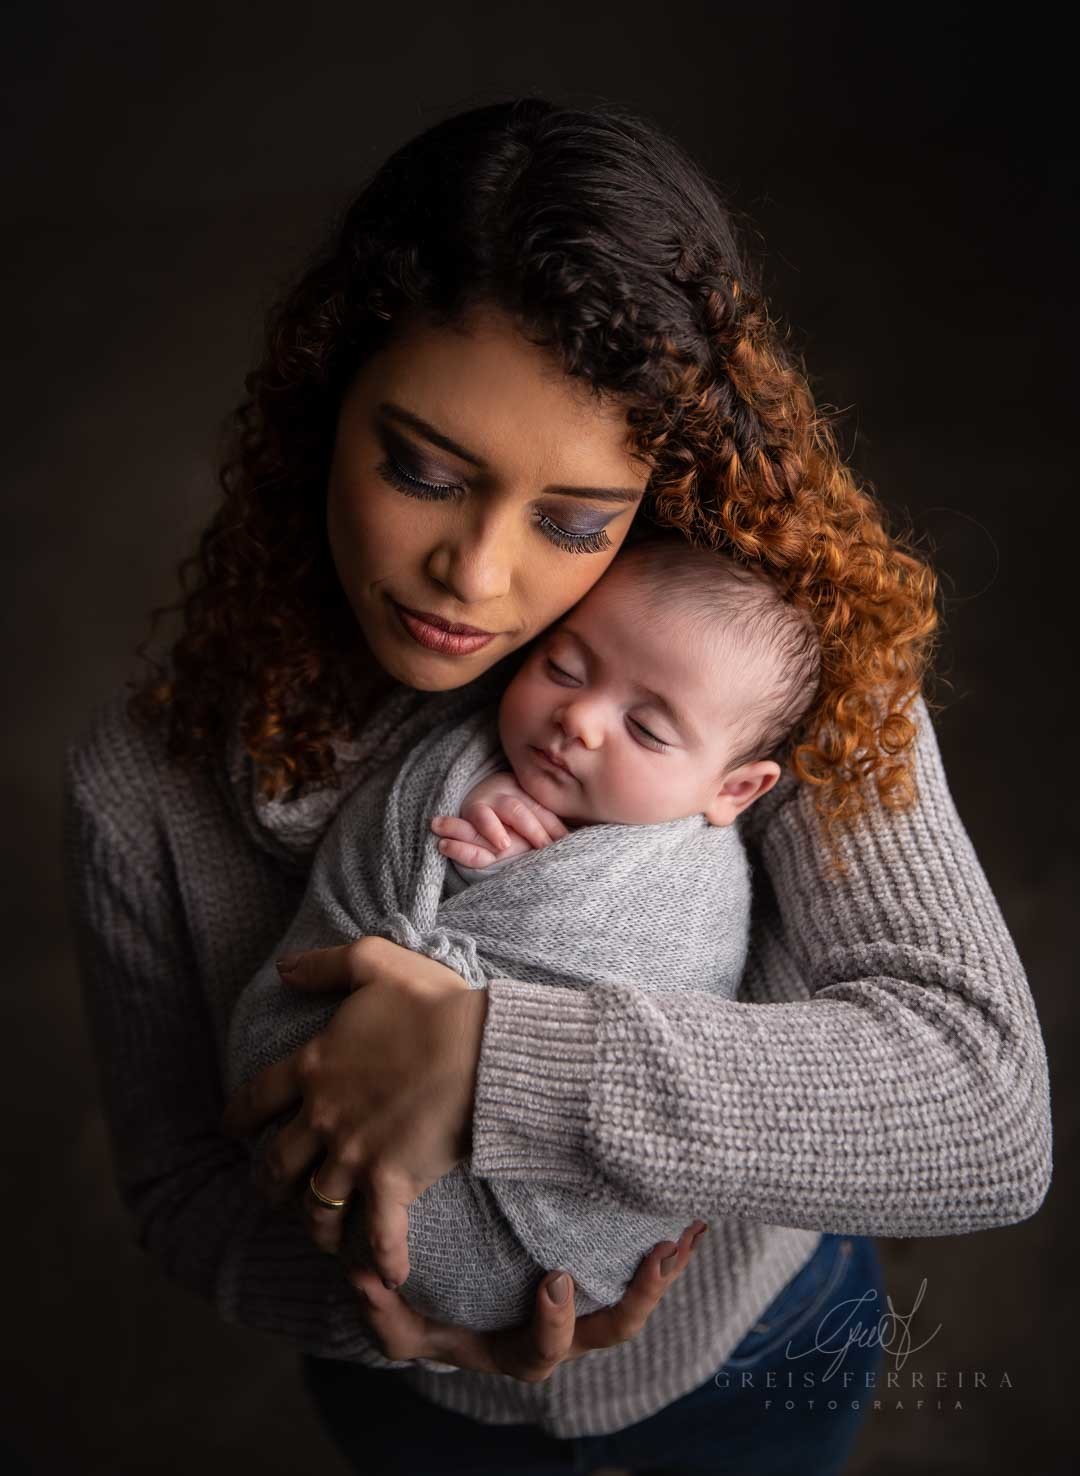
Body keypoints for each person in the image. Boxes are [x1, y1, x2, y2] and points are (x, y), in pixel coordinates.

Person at [63, 96, 1052, 1476]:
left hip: (758, 1355)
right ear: (319, 413)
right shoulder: (146, 779)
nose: (475, 575)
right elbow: (180, 1194)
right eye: (421, 469)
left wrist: (484, 1062)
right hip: (417, 1413)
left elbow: (983, 1110)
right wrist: (406, 1316)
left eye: (575, 521)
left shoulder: (768, 658)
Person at [225, 532, 821, 1350]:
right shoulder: (458, 763)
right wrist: (471, 851)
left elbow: (667, 1013)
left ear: (732, 788)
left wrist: (476, 986)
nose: (576, 717)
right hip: (359, 1239)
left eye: (645, 730)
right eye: (564, 669)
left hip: (757, 1328)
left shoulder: (690, 884)